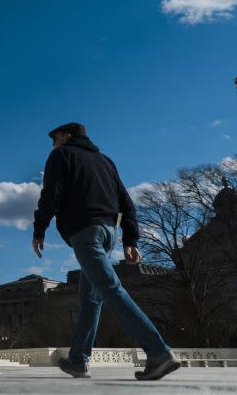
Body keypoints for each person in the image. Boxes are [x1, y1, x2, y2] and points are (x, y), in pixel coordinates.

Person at [33, 123, 179, 381]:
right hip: (110, 232)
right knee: (90, 298)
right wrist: (131, 239)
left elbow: (50, 195)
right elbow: (127, 202)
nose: (53, 145)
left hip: (85, 231)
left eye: (55, 139)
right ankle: (78, 360)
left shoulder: (62, 155)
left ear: (67, 137)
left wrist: (39, 229)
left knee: (111, 290)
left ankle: (159, 352)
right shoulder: (105, 161)